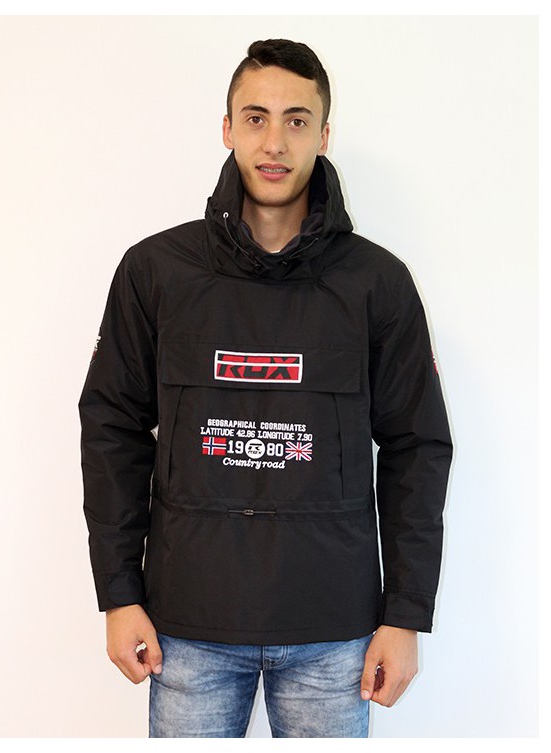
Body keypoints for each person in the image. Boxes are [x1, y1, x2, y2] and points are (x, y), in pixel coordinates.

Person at [78, 39, 453, 738]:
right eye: (255, 118)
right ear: (227, 128)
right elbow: (112, 431)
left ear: (323, 134)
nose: (274, 141)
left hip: (333, 632)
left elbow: (416, 447)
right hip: (186, 626)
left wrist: (404, 615)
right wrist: (119, 594)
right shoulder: (155, 272)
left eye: (296, 120)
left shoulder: (377, 283)